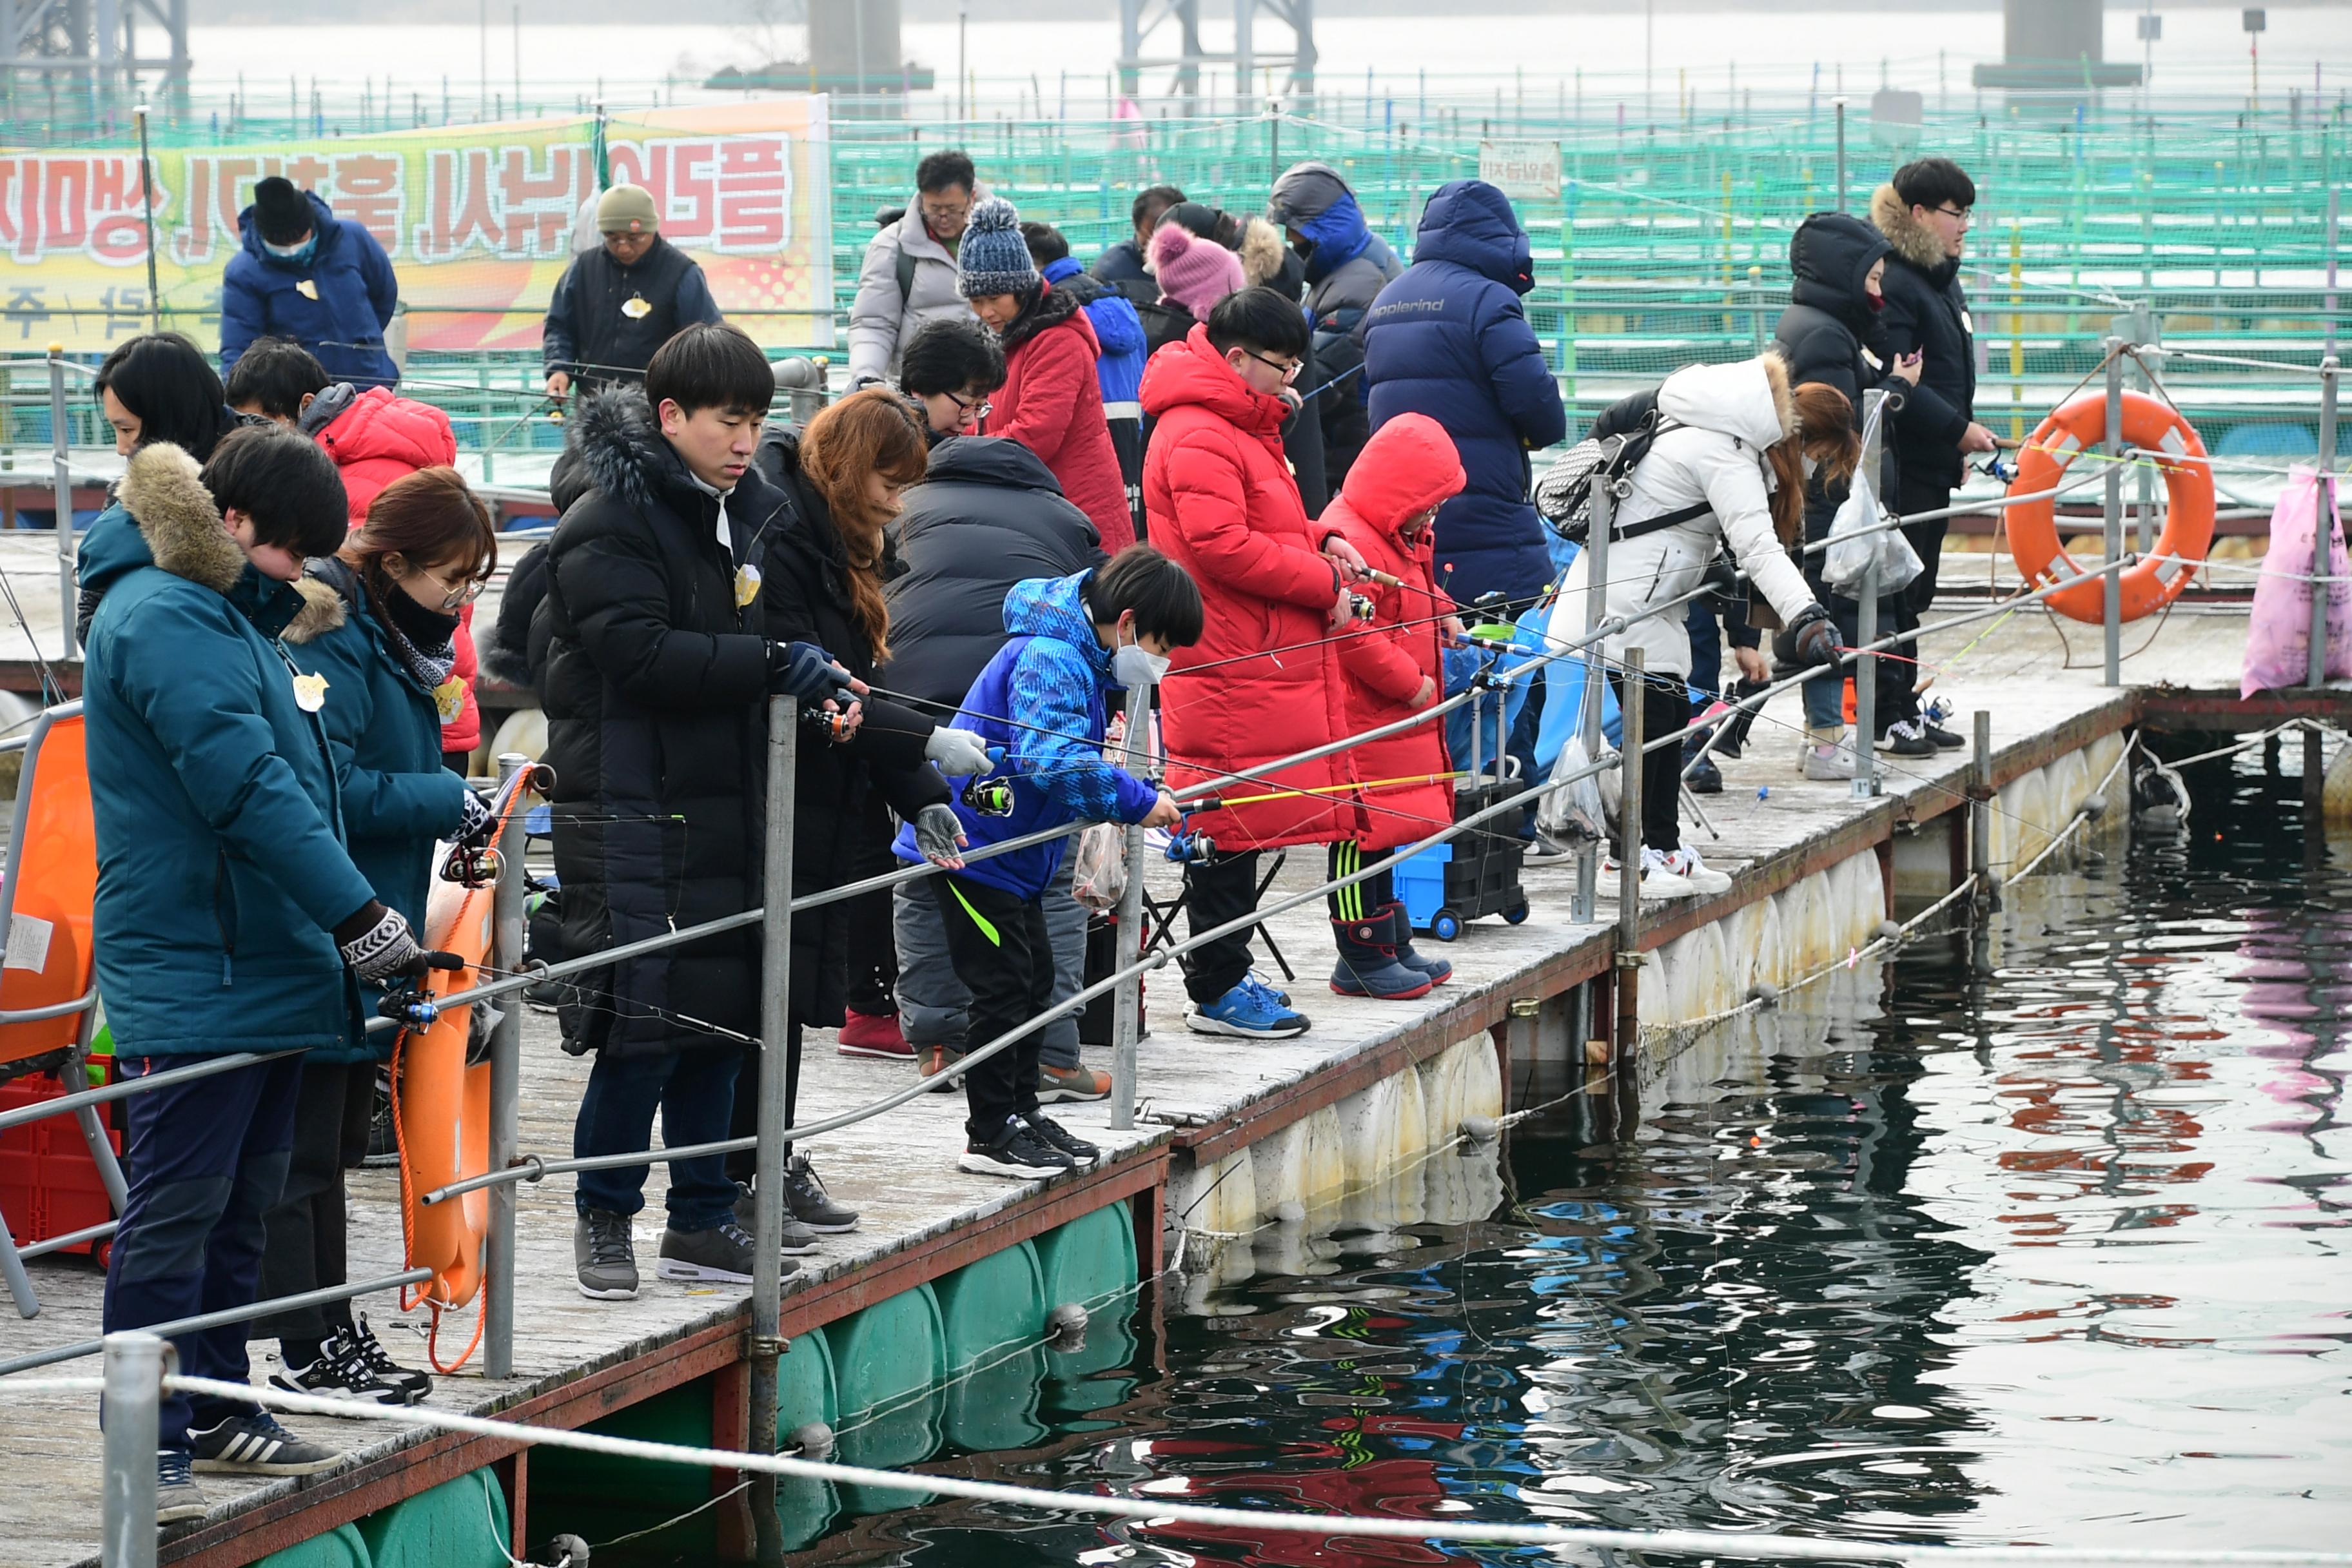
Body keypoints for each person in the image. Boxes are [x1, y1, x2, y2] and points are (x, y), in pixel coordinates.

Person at [81, 426, 440, 1518]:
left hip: (268, 960)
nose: (304, 573)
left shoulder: (237, 616)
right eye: (291, 551)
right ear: (231, 523)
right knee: (180, 1204)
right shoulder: (167, 616)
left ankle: (224, 1401)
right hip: (204, 959)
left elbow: (297, 776)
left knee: (243, 1201)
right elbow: (244, 787)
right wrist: (361, 914)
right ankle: (147, 1429)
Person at [536, 322, 867, 1301]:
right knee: (644, 1024)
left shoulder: (742, 515)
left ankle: (704, 1218)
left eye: (758, 421)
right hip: (635, 812)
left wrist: (813, 693)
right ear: (670, 415)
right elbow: (639, 655)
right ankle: (604, 1218)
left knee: (726, 1022)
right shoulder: (606, 523)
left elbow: (760, 646)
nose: (744, 441)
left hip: (730, 804)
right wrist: (772, 666)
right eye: (730, 421)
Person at [262, 467, 498, 1404]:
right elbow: (337, 788)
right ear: (393, 563)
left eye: (476, 584)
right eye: (452, 581)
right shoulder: (344, 641)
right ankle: (305, 1344)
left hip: (377, 926)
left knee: (334, 1156)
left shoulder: (399, 641)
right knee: (305, 1156)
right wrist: (452, 797)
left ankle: (335, 1328)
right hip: (330, 928)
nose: (460, 602)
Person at [749, 391, 983, 1206]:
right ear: (850, 471)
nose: (898, 500)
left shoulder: (844, 542)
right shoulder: (781, 538)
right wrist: (922, 741)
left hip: (833, 792)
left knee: (784, 1007)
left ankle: (769, 1164)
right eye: (888, 481)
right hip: (775, 798)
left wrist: (918, 790)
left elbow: (862, 683)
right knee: (758, 1001)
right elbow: (817, 684)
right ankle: (739, 1178)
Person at [894, 547, 1193, 1177]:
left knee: (1032, 980)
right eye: (1161, 645)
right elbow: (1052, 761)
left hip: (1017, 856)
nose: (1161, 663)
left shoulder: (1085, 657)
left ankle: (1022, 1109)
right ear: (1132, 622)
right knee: (1001, 986)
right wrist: (1139, 801)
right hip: (973, 851)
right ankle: (988, 1133)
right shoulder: (1054, 657)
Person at [1544, 355, 1858, 897]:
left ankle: (1663, 847)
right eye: (1815, 457)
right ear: (1798, 435)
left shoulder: (1725, 437)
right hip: (1623, 599)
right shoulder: (1725, 450)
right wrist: (1808, 615)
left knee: (1668, 718)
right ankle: (1629, 861)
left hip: (1653, 597)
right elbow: (1758, 546)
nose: (1809, 469)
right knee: (1652, 725)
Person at [1142, 287, 1358, 1041]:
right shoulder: (1200, 427)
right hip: (1225, 652)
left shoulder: (1238, 420)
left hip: (1247, 648)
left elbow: (1262, 518)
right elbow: (1220, 544)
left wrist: (1320, 536)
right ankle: (1217, 985)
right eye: (1280, 366)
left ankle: (1225, 971)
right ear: (1235, 358)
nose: (1290, 382)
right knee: (1225, 818)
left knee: (1239, 814)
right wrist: (1324, 581)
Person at [885, 433, 1109, 1098]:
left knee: (925, 866)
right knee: (1047, 873)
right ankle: (1051, 1051)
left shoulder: (906, 503)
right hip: (1018, 705)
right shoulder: (1064, 519)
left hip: (911, 703)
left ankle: (935, 1043)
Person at [226, 335, 484, 770]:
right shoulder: (370, 448)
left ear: (304, 406)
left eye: (263, 422)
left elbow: (397, 593)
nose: (254, 438)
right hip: (432, 689)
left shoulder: (352, 472)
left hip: (406, 698)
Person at [1362, 180, 1567, 618]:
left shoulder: (1385, 302)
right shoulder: (1490, 301)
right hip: (1491, 529)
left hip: (1407, 525)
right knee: (1518, 669)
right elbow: (1545, 417)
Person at [1320, 413, 1467, 999]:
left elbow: (1413, 588)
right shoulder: (1349, 536)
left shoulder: (1396, 534)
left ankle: (1389, 940)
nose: (1431, 520)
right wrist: (1411, 684)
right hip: (1363, 717)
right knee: (1358, 831)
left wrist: (1446, 607)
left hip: (1394, 723)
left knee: (1389, 828)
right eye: (1427, 506)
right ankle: (1357, 953)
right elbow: (1351, 632)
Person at [1772, 210, 1920, 779]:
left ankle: (1823, 736)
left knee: (1815, 617)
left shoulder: (1815, 324)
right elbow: (1838, 417)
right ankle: (1828, 743)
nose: (1880, 293)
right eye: (1874, 279)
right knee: (1826, 618)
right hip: (1824, 504)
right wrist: (1897, 390)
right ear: (1846, 274)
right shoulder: (1825, 334)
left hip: (1815, 499)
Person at [1872, 158, 1995, 751]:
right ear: (1920, 214)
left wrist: (1960, 438)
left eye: (1969, 212)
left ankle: (1907, 704)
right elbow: (1899, 385)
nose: (1965, 224)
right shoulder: (1898, 280)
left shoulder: (1941, 277)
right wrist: (1956, 432)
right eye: (1956, 212)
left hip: (1934, 459)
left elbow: (1945, 373)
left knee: (1917, 591)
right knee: (1896, 591)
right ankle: (1887, 715)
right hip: (1902, 463)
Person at [959, 196, 1135, 550]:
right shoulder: (1011, 335)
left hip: (1077, 514)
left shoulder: (1058, 338)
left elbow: (1036, 434)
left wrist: (961, 453)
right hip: (1043, 508)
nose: (986, 311)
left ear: (1022, 287)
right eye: (976, 301)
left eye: (995, 298)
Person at [1267, 161, 1403, 492]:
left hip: (1347, 455)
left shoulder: (1361, 280)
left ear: (1323, 228)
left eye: (1294, 229)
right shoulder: (1342, 270)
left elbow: (1321, 380)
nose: (1288, 240)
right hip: (1344, 447)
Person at [1024, 220, 1150, 542]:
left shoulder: (1055, 310)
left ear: (1032, 264)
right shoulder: (1120, 301)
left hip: (1083, 428)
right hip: (1130, 426)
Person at [541, 184, 724, 403]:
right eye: (612, 238)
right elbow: (560, 326)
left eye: (634, 238)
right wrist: (559, 368)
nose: (624, 248)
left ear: (652, 230)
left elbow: (706, 340)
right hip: (594, 406)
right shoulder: (583, 269)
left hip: (659, 410)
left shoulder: (681, 273)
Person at [220, 176, 400, 389]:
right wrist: (236, 396)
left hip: (371, 382)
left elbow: (384, 295)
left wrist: (362, 341)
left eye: (298, 236)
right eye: (280, 241)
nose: (292, 246)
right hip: (303, 397)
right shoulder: (244, 272)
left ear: (310, 223)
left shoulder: (352, 238)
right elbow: (239, 345)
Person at [850, 149, 979, 389]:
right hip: (920, 393)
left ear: (972, 197)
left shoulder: (1000, 242)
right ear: (921, 199)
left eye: (952, 209)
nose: (942, 218)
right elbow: (873, 323)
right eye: (934, 209)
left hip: (985, 392)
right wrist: (867, 379)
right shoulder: (891, 246)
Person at [91, 330, 254, 465]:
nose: (120, 449)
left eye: (127, 430)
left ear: (173, 417)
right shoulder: (132, 492)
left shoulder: (257, 479)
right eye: (116, 430)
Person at [900, 317, 1008, 444]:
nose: (970, 421)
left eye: (978, 408)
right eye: (965, 406)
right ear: (919, 388)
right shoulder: (881, 447)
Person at [1093, 183, 1186, 299]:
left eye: (1171, 235)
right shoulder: (1110, 272)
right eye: (1152, 235)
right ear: (1136, 226)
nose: (1163, 246)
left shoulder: (1202, 262)